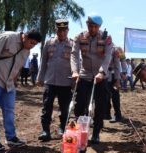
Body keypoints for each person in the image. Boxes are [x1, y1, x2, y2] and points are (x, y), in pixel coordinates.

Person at [0, 30, 41, 151]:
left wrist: (14, 81)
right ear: (25, 37)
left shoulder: (27, 50)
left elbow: (18, 67)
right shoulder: (7, 37)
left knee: (9, 111)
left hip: (9, 84)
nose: (31, 46)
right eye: (31, 42)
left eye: (34, 44)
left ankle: (11, 137)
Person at [71, 14, 113, 144]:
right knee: (79, 105)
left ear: (99, 26)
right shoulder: (80, 37)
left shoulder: (106, 38)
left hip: (100, 77)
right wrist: (75, 71)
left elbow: (108, 56)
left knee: (100, 106)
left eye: (95, 26)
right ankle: (80, 131)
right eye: (90, 25)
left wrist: (102, 72)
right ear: (87, 24)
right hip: (84, 75)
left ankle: (96, 133)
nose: (92, 28)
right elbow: (74, 55)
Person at [37, 19, 73, 141]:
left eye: (64, 30)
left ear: (67, 30)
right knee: (47, 107)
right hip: (50, 81)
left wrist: (74, 81)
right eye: (59, 30)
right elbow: (43, 62)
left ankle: (62, 128)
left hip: (66, 82)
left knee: (65, 108)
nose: (62, 33)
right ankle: (45, 131)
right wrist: (40, 77)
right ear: (55, 30)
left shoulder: (72, 44)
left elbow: (76, 64)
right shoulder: (49, 43)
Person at [107, 46, 123, 123]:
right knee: (105, 96)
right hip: (104, 76)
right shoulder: (101, 47)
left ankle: (117, 115)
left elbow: (118, 64)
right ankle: (106, 114)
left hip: (114, 76)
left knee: (115, 96)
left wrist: (118, 79)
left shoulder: (116, 49)